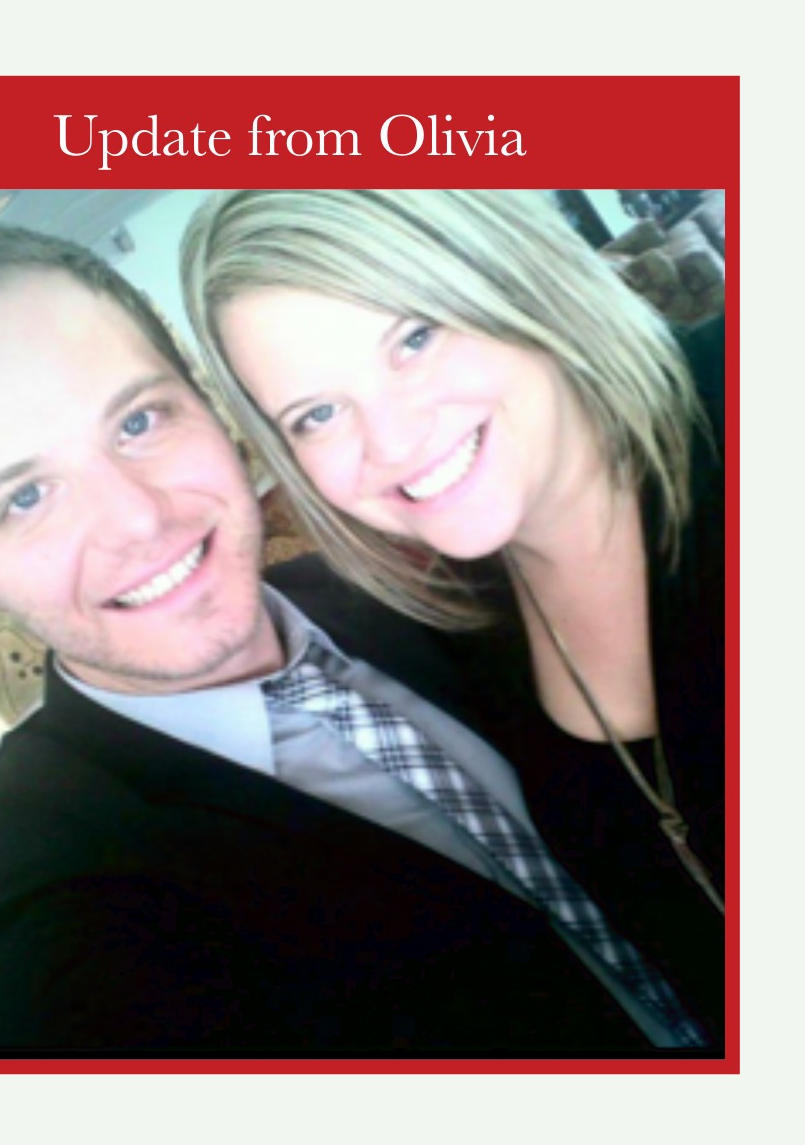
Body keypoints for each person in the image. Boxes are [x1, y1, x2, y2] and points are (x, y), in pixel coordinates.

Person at [0, 218, 712, 1055]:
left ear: (208, 403)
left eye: (138, 422)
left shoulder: (405, 579)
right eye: (23, 498)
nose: (138, 519)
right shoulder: (23, 870)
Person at [181, 189, 725, 1046]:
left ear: (509, 270)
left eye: (413, 338)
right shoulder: (455, 649)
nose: (391, 443)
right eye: (317, 414)